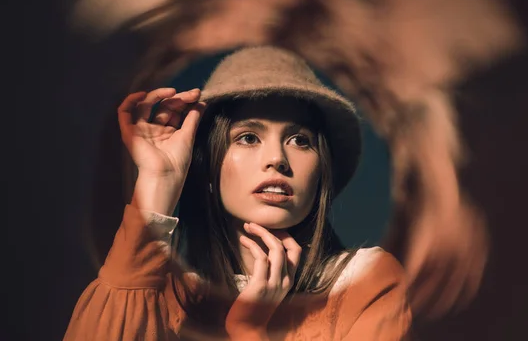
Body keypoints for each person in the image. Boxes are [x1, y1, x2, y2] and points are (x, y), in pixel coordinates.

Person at [64, 46, 411, 340]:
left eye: (300, 141)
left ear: (321, 173)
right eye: (248, 137)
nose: (277, 159)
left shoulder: (365, 283)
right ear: (210, 169)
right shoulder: (165, 296)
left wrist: (249, 330)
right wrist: (159, 181)